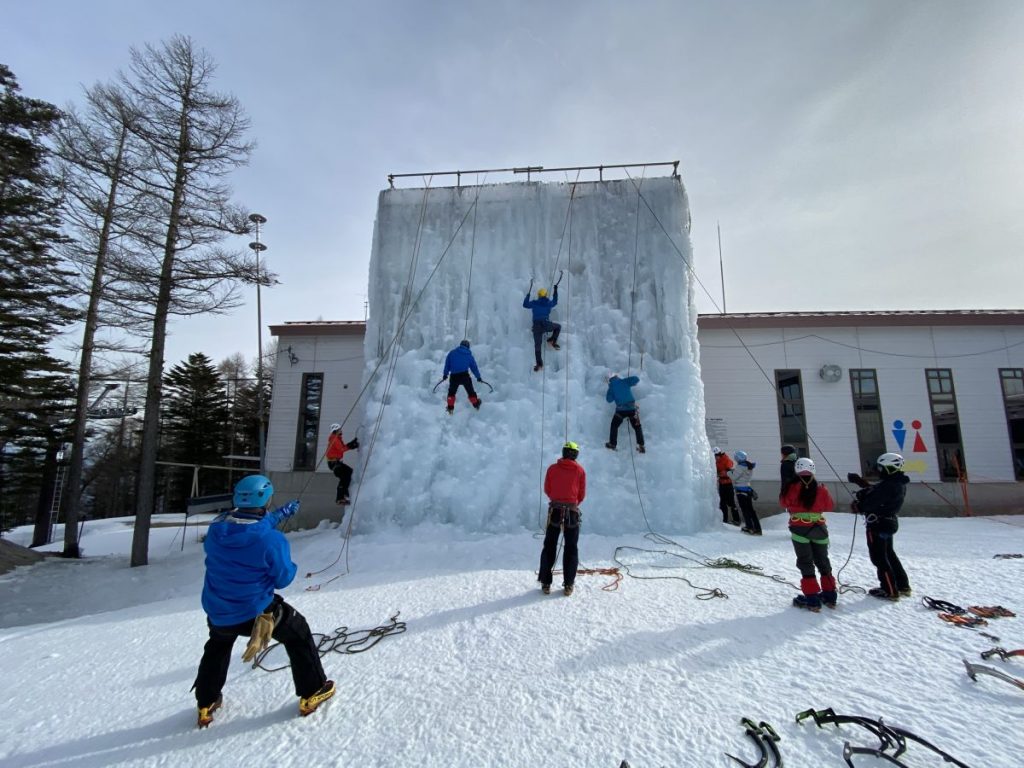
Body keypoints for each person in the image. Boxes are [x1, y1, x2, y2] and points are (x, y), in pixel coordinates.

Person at [193, 475, 335, 727]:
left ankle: (206, 702)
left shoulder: (216, 530)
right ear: (266, 500)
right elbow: (283, 578)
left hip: (219, 610)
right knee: (298, 633)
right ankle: (313, 691)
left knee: (218, 646)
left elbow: (246, 526)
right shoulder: (272, 540)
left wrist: (280, 515)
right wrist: (288, 563)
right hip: (255, 612)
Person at [849, 452, 911, 600]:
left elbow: (872, 501)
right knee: (889, 554)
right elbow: (877, 491)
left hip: (878, 524)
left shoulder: (889, 485)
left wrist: (859, 505)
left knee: (879, 558)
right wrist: (861, 483)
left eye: (881, 468)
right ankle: (902, 584)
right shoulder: (897, 482)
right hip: (888, 522)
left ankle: (889, 590)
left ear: (888, 468)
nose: (879, 471)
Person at [780, 458, 837, 611]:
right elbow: (829, 506)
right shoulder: (821, 488)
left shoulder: (791, 487)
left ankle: (812, 599)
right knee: (823, 561)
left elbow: (784, 503)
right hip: (819, 528)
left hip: (799, 528)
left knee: (805, 562)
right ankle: (830, 596)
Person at [538, 441, 586, 596]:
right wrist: (571, 502)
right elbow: (581, 494)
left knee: (549, 545)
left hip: (555, 511)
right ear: (575, 455)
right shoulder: (580, 470)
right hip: (571, 512)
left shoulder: (552, 469)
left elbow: (547, 489)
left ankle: (546, 582)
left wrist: (557, 498)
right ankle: (569, 584)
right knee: (571, 547)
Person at [604, 373, 646, 453]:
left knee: (614, 426)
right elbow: (636, 379)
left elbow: (609, 400)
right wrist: (629, 381)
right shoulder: (624, 381)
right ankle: (641, 446)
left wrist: (610, 388)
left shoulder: (611, 387)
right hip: (632, 408)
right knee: (637, 426)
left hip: (621, 411)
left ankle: (612, 444)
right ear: (616, 377)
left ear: (609, 380)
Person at [523, 285, 561, 372]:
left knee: (537, 345)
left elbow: (525, 304)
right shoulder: (548, 303)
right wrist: (555, 290)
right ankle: (552, 340)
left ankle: (539, 364)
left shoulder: (535, 303)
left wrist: (528, 295)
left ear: (539, 295)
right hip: (546, 324)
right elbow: (555, 301)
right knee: (558, 327)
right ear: (545, 295)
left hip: (537, 326)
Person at [442, 339, 483, 414]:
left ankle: (450, 408)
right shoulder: (469, 355)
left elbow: (447, 364)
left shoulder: (452, 353)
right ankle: (476, 404)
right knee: (470, 391)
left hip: (454, 377)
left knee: (451, 392)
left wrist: (445, 374)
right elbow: (474, 367)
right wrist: (478, 377)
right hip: (465, 376)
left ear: (460, 345)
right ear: (468, 346)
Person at [326, 423, 359, 505]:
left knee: (349, 473)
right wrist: (352, 445)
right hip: (334, 463)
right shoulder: (334, 439)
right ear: (336, 430)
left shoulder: (336, 438)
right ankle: (340, 497)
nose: (341, 431)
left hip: (336, 462)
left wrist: (352, 443)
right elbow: (342, 449)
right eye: (339, 429)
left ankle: (345, 493)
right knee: (345, 476)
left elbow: (343, 447)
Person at [730, 450, 761, 535]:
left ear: (738, 458)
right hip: (747, 489)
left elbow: (734, 477)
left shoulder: (740, 467)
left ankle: (749, 527)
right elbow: (742, 476)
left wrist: (729, 472)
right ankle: (757, 529)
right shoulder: (748, 466)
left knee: (745, 510)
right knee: (751, 510)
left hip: (741, 490)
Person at [714, 447, 739, 525]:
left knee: (731, 503)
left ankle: (736, 520)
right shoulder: (716, 461)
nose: (716, 457)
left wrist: (721, 473)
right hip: (721, 484)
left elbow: (730, 469)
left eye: (717, 455)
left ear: (720, 454)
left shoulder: (726, 459)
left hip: (728, 484)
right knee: (722, 503)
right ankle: (724, 520)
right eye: (715, 456)